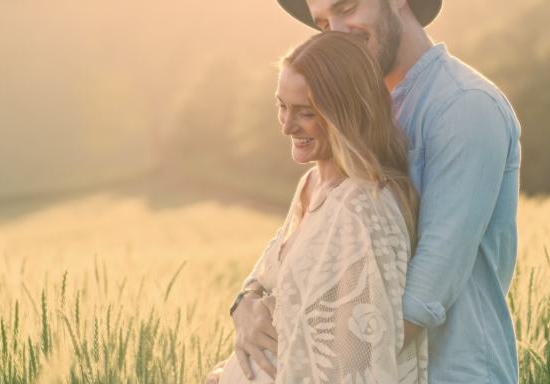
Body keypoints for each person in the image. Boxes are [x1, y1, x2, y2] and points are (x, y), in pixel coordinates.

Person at [218, 0, 522, 383]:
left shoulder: (463, 107)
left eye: (347, 7)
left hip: (452, 371)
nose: (338, 31)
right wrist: (245, 305)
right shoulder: (353, 106)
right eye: (324, 23)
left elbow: (424, 296)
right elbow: (291, 250)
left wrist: (272, 367)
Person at [208, 32, 427, 383]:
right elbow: (267, 279)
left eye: (305, 113)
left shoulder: (362, 211)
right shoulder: (310, 185)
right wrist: (243, 307)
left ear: (344, 113)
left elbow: (358, 367)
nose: (286, 126)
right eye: (281, 105)